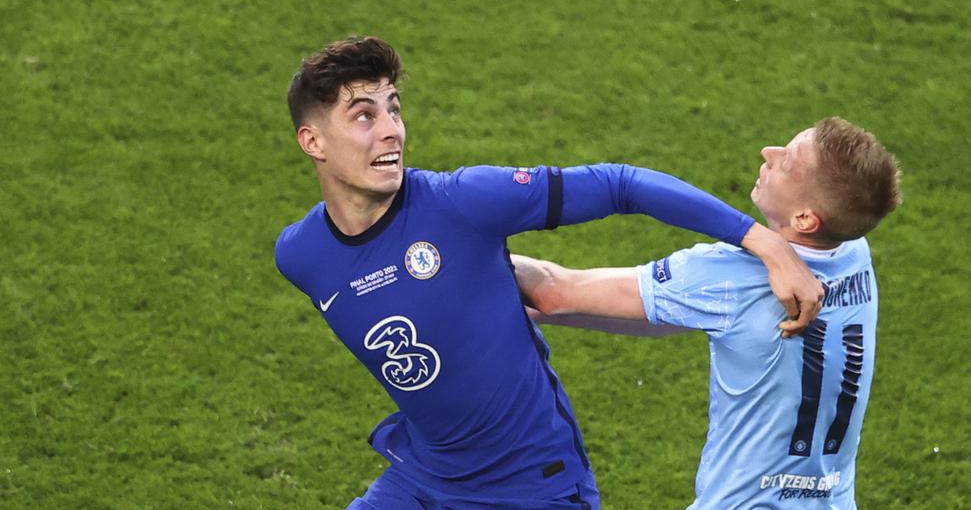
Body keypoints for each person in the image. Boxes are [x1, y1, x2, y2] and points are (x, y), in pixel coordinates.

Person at [272, 36, 824, 509]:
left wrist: (765, 243)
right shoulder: (300, 255)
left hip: (533, 488)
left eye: (394, 108)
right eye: (364, 116)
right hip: (425, 479)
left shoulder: (462, 202)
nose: (391, 130)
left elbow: (620, 183)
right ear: (312, 142)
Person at [514, 117, 902, 509]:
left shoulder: (727, 277)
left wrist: (459, 248)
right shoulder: (854, 253)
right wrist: (547, 314)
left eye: (787, 160)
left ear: (805, 219)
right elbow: (663, 314)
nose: (769, 152)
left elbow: (555, 289)